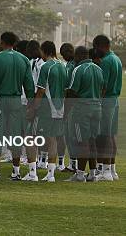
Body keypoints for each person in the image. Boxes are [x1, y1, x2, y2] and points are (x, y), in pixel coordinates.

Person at [0, 32, 34, 180]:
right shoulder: (24, 59)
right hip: (16, 100)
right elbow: (29, 86)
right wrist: (31, 105)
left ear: (2, 42)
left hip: (0, 99)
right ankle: (16, 171)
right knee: (15, 136)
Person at [25, 41, 67, 182]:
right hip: (59, 108)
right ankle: (51, 174)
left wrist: (33, 108)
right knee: (53, 139)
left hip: (46, 109)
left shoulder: (46, 67)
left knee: (31, 137)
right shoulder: (63, 66)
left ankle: (32, 173)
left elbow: (41, 91)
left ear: (44, 51)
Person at [65, 46, 104, 182]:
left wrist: (66, 111)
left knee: (82, 141)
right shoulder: (99, 69)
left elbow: (72, 92)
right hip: (97, 108)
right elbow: (102, 89)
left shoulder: (78, 69)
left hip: (82, 110)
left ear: (79, 56)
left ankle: (80, 174)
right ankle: (92, 174)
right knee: (92, 141)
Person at [93, 35, 122, 181]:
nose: (95, 50)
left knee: (104, 136)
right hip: (115, 100)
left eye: (95, 47)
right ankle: (112, 170)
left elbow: (102, 86)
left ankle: (105, 172)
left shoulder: (106, 61)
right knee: (111, 135)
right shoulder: (116, 58)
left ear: (101, 46)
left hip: (106, 101)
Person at [59, 43, 76, 172]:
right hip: (70, 101)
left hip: (72, 103)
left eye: (64, 54)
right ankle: (72, 163)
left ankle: (74, 164)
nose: (64, 57)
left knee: (72, 134)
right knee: (69, 134)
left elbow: (69, 88)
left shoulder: (73, 65)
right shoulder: (70, 64)